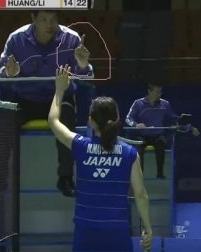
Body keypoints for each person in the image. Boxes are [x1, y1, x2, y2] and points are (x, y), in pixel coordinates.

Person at [48, 65, 152, 251]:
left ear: (90, 120)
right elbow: (140, 195)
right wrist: (148, 229)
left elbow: (53, 121)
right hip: (118, 232)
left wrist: (59, 90)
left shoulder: (80, 145)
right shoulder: (129, 153)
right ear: (117, 119)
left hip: (86, 231)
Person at [0, 10, 94, 197]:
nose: (50, 24)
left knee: (67, 114)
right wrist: (8, 74)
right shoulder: (16, 39)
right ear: (33, 19)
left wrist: (82, 66)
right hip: (25, 100)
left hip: (58, 99)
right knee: (5, 120)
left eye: (53, 19)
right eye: (44, 20)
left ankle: (65, 178)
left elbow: (86, 79)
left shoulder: (71, 40)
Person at [125, 82, 200, 179]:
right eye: (156, 92)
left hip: (158, 135)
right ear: (149, 91)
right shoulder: (138, 103)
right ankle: (140, 175)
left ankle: (160, 173)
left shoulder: (165, 104)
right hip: (142, 135)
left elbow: (174, 119)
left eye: (160, 92)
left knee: (161, 144)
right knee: (139, 149)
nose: (159, 94)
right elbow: (128, 119)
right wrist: (136, 124)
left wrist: (190, 127)